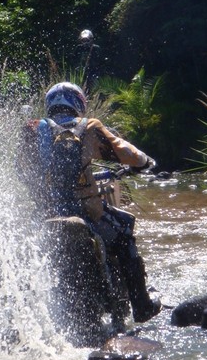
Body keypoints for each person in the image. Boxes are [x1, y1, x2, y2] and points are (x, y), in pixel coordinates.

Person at [20, 81, 160, 324]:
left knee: (25, 252)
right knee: (124, 230)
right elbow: (128, 153)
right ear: (78, 103)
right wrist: (145, 161)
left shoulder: (32, 129)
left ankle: (22, 316)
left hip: (46, 213)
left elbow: (21, 171)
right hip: (86, 211)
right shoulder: (89, 127)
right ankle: (142, 306)